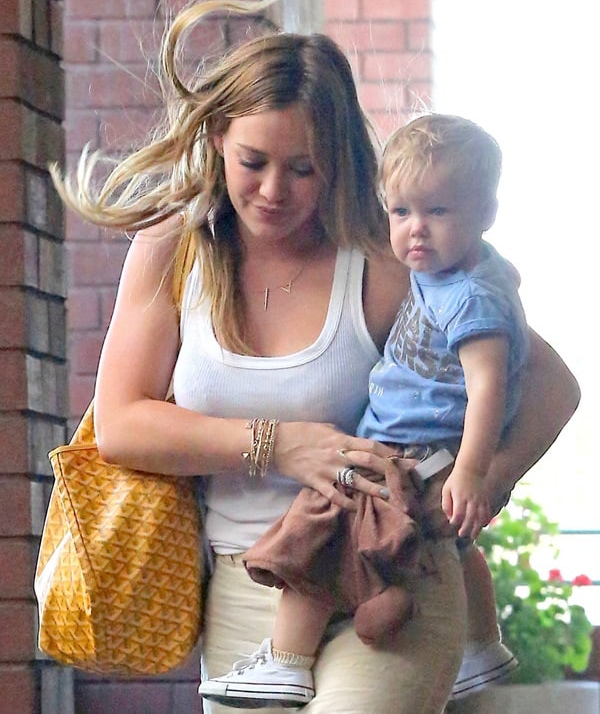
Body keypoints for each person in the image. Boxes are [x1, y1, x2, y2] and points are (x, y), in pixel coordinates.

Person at [50, 0, 579, 714]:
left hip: (394, 574)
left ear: (337, 162)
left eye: (303, 167)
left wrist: (486, 480)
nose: (274, 190)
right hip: (249, 591)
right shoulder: (171, 250)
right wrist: (280, 446)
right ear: (215, 138)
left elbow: (550, 385)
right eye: (254, 162)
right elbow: (121, 426)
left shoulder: (388, 260)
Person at [199, 113, 528, 708]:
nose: (416, 231)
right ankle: (480, 644)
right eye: (400, 212)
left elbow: (503, 387)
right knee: (451, 544)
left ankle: (285, 661)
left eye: (302, 168)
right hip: (244, 560)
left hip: (398, 461)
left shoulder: (461, 288)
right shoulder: (447, 271)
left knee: (320, 535)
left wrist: (481, 474)